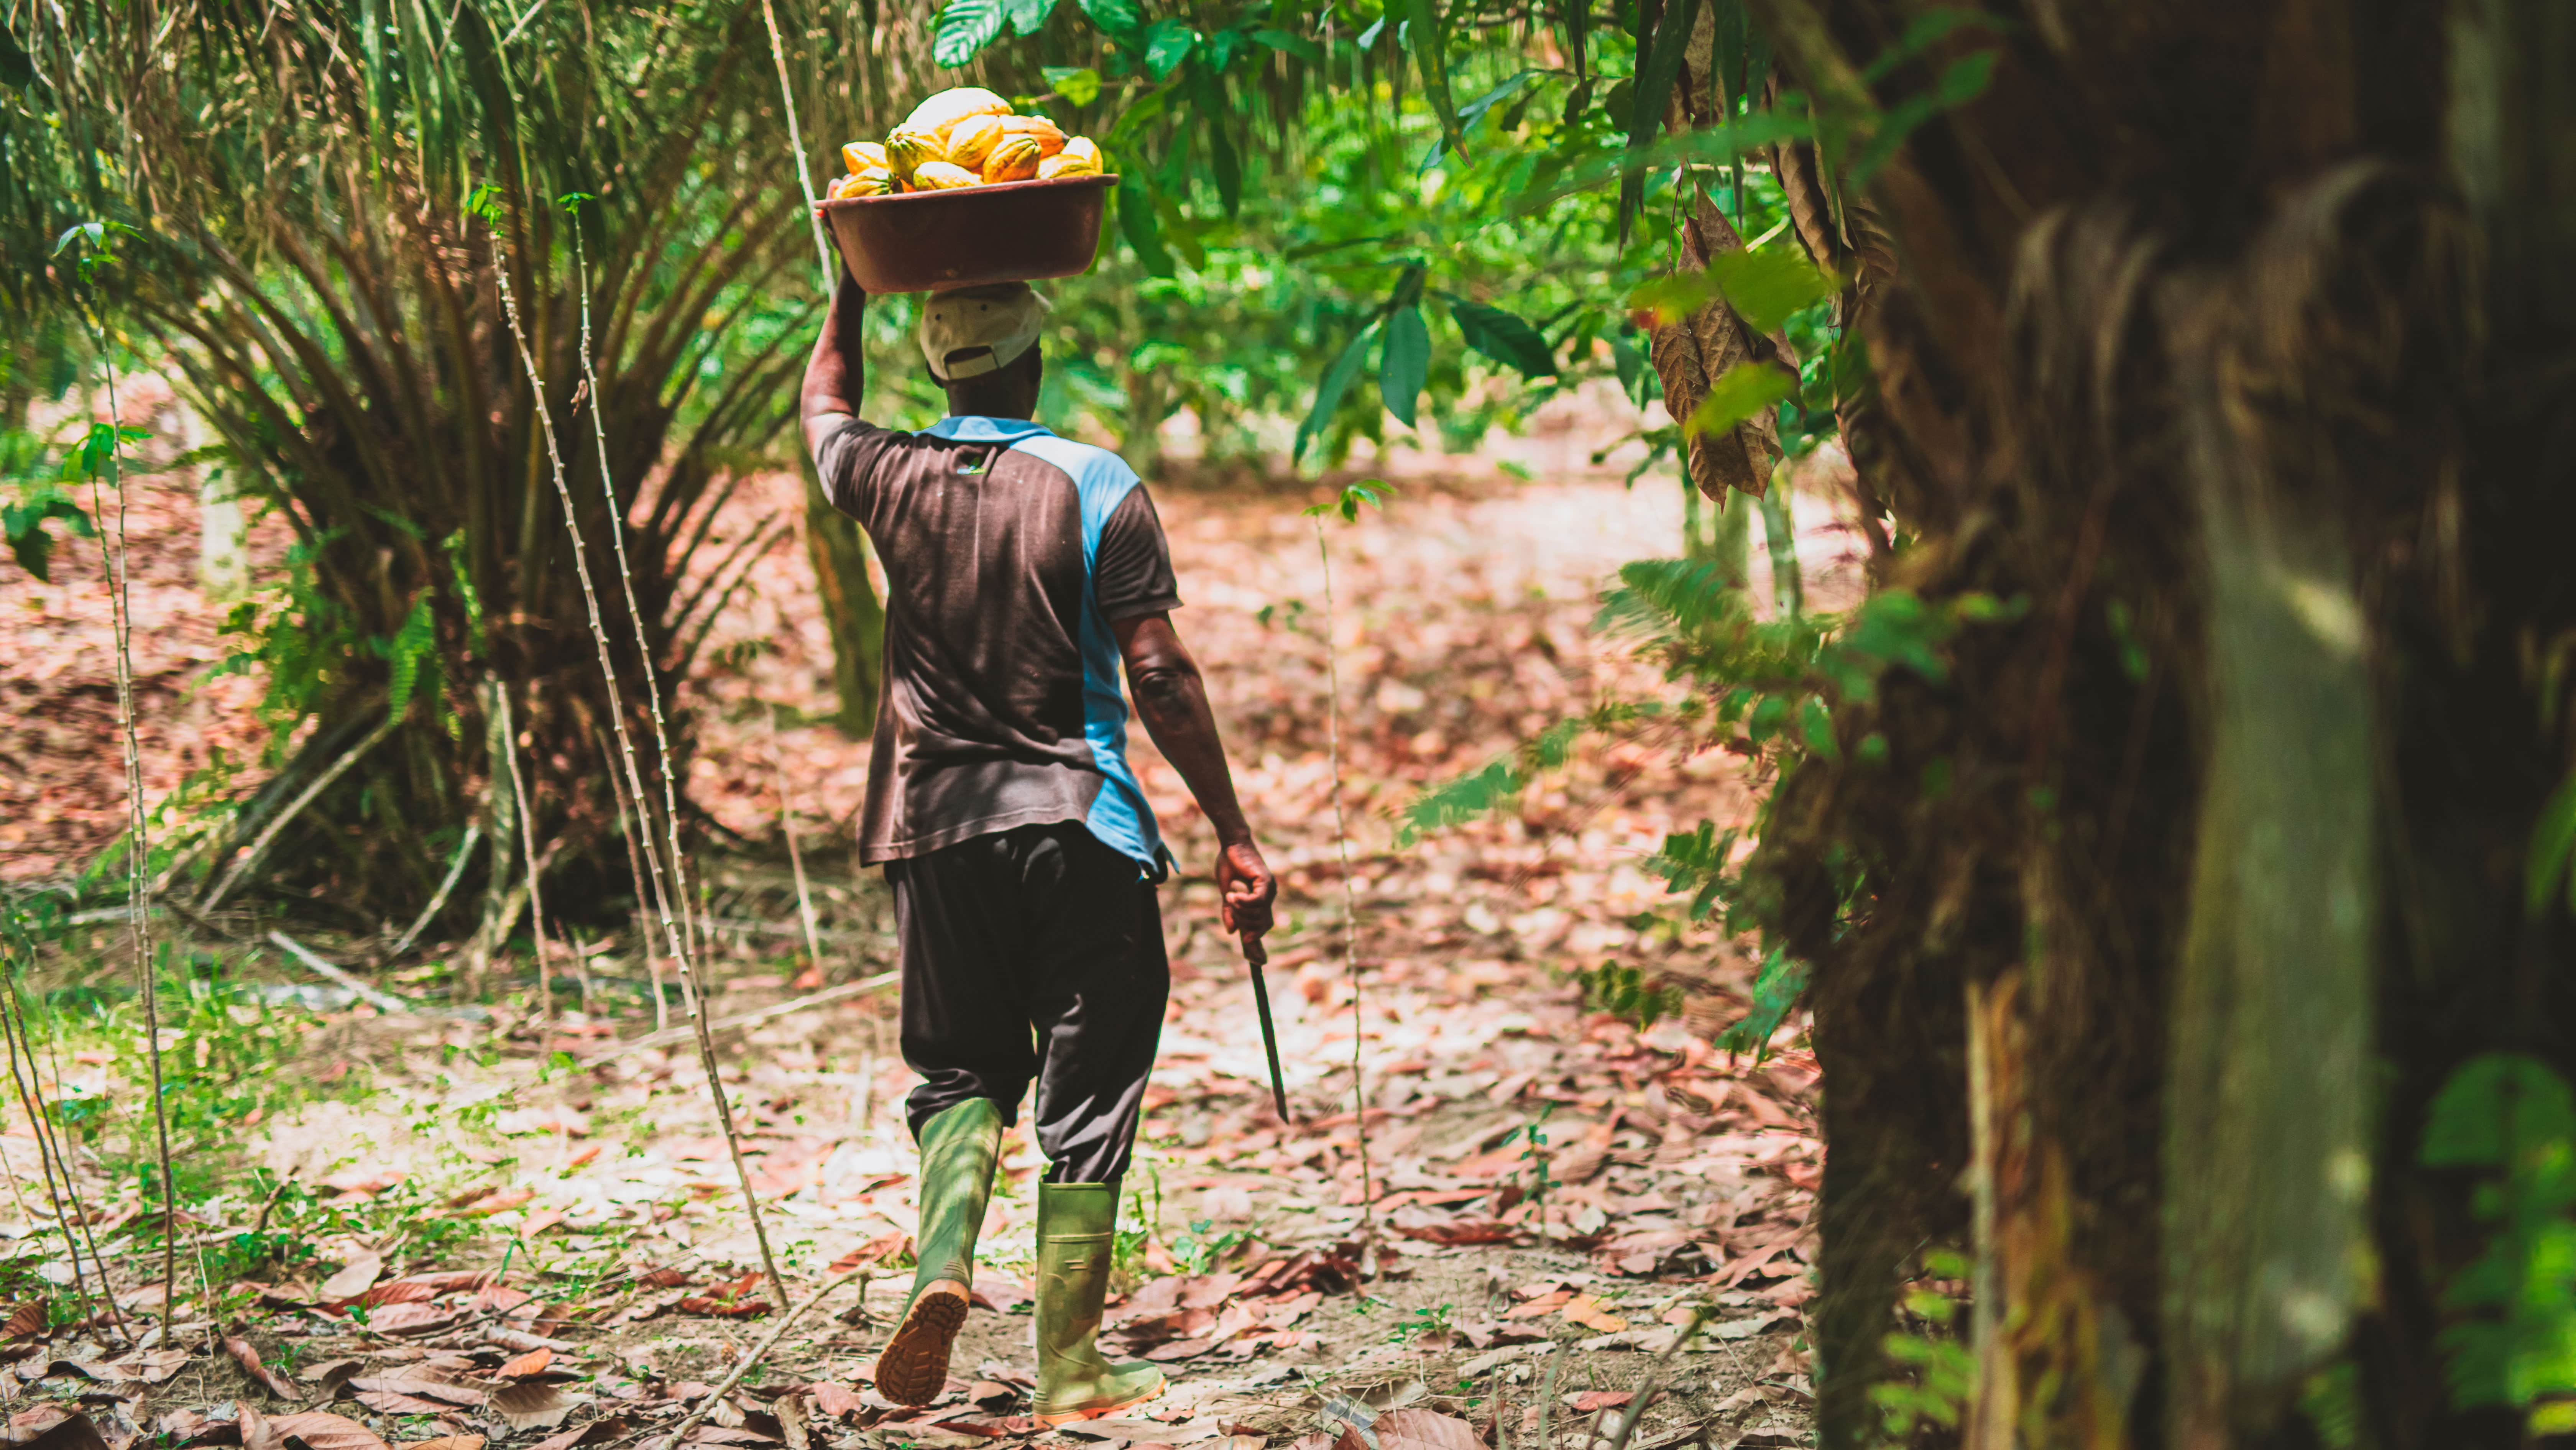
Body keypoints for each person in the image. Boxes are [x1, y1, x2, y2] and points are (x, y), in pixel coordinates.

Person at [798, 271, 1276, 1422]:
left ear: (938, 362)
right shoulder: (1096, 480)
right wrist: (1233, 829)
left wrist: (844, 293)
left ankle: (940, 1268)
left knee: (959, 1071)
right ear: (1032, 358)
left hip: (932, 830)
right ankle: (1069, 1366)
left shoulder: (884, 471)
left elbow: (823, 407)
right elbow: (1157, 671)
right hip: (1078, 824)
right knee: (1089, 1092)